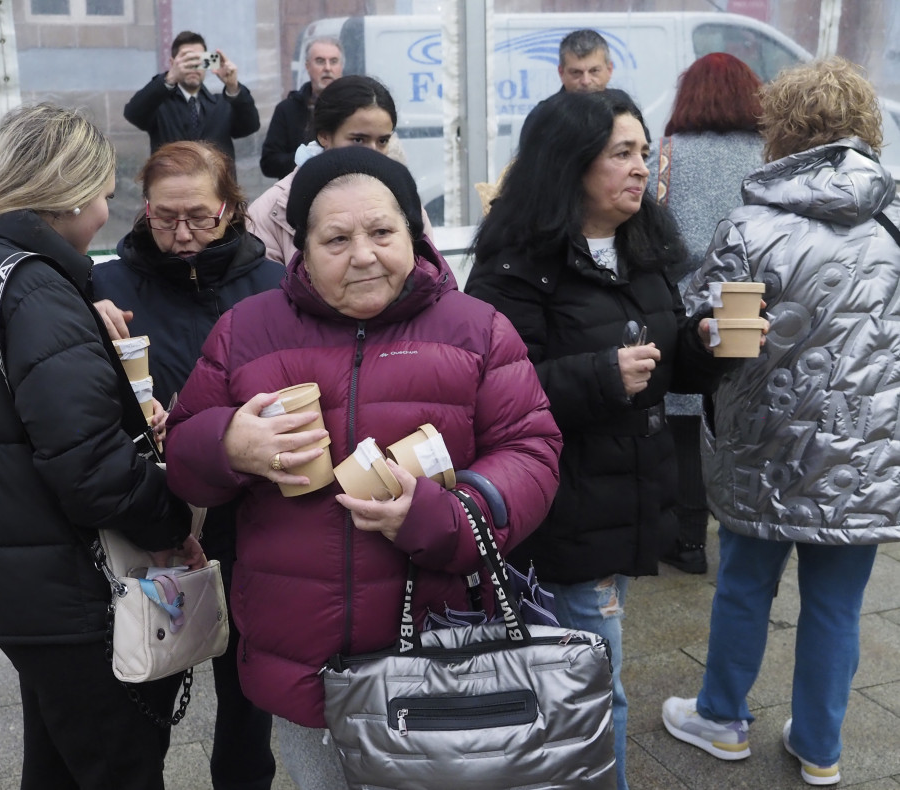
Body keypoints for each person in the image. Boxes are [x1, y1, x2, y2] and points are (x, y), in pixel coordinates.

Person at [164, 145, 563, 790]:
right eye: (336, 238)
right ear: (300, 247)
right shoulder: (246, 331)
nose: (363, 255)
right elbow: (181, 458)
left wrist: (444, 515)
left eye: (382, 232)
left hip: (438, 647)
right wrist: (227, 446)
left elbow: (532, 452)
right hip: (299, 654)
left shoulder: (477, 330)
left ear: (412, 231)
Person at [0, 103, 205, 789]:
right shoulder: (37, 290)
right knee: (118, 766)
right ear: (74, 193)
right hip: (72, 590)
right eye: (108, 193)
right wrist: (172, 521)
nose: (109, 208)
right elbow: (90, 469)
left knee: (58, 761)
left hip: (17, 585)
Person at [464, 89, 734, 790]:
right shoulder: (513, 264)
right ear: (570, 163)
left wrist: (710, 347)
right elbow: (492, 395)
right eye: (621, 153)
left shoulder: (644, 247)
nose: (641, 168)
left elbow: (669, 370)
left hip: (629, 500)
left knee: (582, 681)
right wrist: (598, 376)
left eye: (643, 151)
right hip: (562, 510)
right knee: (595, 690)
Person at [662, 57, 900, 788]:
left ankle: (722, 716)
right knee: (836, 601)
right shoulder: (891, 222)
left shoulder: (750, 223)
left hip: (760, 441)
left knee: (743, 584)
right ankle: (822, 746)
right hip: (863, 447)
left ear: (782, 130)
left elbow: (706, 323)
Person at [90, 140, 285, 790]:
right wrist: (82, 320)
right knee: (145, 688)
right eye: (164, 216)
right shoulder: (108, 284)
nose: (180, 234)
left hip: (252, 516)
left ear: (229, 208)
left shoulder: (272, 284)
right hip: (152, 517)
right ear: (144, 209)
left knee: (248, 701)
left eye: (198, 217)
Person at [646, 52, 765, 574]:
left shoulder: (664, 157)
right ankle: (752, 530)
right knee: (746, 419)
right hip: (753, 307)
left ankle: (690, 540)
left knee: (685, 432)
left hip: (685, 314)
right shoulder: (772, 155)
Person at [249, 74, 432, 264]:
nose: (373, 153)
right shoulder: (270, 212)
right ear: (324, 137)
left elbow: (432, 280)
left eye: (383, 141)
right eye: (358, 140)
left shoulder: (406, 200)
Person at [124, 30, 260, 162]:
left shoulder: (222, 104)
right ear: (173, 64)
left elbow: (250, 126)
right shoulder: (159, 104)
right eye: (187, 60)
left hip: (215, 183)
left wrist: (233, 87)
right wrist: (169, 78)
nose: (194, 66)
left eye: (199, 60)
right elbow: (133, 113)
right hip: (172, 182)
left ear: (208, 62)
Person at [260, 36, 344, 179]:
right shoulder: (287, 109)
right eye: (320, 61)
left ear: (341, 67)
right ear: (307, 66)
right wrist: (307, 158)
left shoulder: (355, 108)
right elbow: (269, 163)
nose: (327, 68)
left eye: (334, 61)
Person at [519, 28, 613, 148]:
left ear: (609, 70)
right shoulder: (542, 118)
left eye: (594, 71)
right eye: (576, 72)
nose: (586, 81)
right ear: (561, 72)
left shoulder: (625, 111)